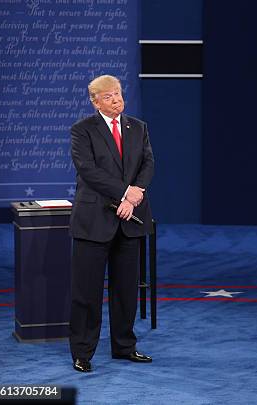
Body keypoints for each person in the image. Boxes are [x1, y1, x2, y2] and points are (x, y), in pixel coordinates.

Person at [69, 74, 154, 372]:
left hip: (130, 220)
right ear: (95, 102)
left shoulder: (137, 127)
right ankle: (82, 352)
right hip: (94, 220)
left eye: (118, 93)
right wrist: (123, 193)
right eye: (108, 96)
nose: (116, 99)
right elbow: (88, 171)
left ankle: (124, 347)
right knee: (87, 291)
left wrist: (133, 198)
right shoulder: (82, 131)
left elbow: (147, 164)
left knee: (126, 290)